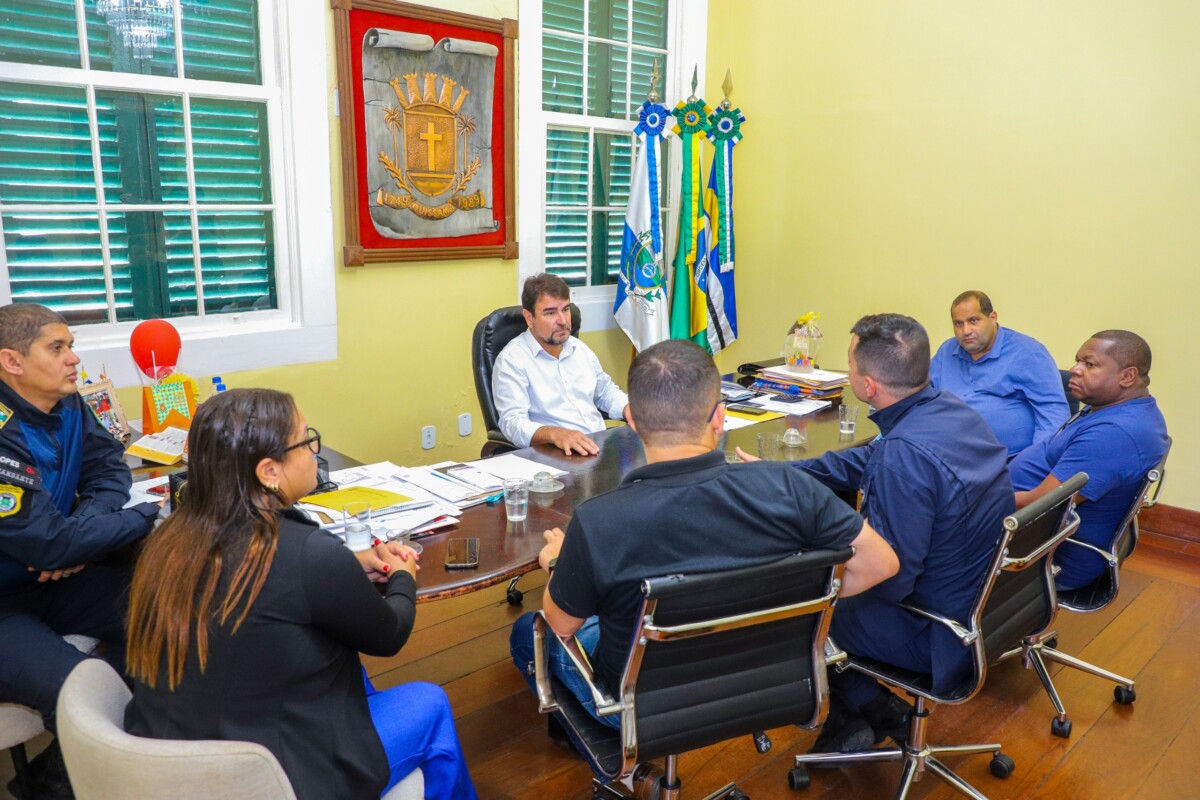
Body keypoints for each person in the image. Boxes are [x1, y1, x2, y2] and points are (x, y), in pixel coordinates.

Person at [510, 339, 899, 786]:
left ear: (632, 422)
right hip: (769, 687)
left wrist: (560, 566)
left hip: (643, 708)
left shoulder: (598, 521)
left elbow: (560, 627)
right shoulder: (791, 487)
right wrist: (804, 596)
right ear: (719, 417)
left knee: (529, 632)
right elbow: (881, 563)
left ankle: (633, 771)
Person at [123, 389, 477, 800]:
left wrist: (346, 565)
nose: (314, 450)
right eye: (305, 441)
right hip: (266, 779)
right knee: (430, 703)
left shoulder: (168, 539)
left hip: (173, 761)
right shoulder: (307, 553)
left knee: (352, 673)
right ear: (269, 471)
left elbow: (270, 594)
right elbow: (389, 634)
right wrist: (402, 576)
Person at [741, 314, 1015, 753]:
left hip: (935, 632)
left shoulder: (902, 456)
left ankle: (872, 706)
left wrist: (806, 581)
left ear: (868, 385)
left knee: (784, 606)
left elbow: (888, 578)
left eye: (850, 364)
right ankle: (858, 717)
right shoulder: (949, 412)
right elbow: (867, 459)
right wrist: (784, 474)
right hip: (985, 607)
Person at [0, 303, 160, 798]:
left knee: (170, 618)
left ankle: (53, 779)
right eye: (57, 348)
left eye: (71, 345)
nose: (73, 358)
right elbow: (47, 544)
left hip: (52, 578)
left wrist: (81, 530)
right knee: (78, 688)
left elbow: (108, 465)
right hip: (5, 601)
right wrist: (143, 516)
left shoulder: (66, 402)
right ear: (12, 361)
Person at [1009, 330, 1169, 590]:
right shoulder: (1115, 409)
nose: (1074, 369)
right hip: (1030, 533)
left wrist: (982, 498)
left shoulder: (1113, 435)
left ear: (1127, 376)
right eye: (1078, 361)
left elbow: (1039, 507)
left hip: (1037, 553)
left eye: (1090, 364)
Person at [493, 273, 632, 455]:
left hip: (597, 446)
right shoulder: (512, 360)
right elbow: (512, 423)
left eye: (565, 310)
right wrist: (555, 434)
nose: (563, 321)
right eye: (550, 313)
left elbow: (605, 392)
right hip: (554, 455)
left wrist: (628, 408)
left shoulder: (578, 348)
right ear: (529, 318)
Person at [929, 290, 1069, 457]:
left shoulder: (1027, 353)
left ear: (993, 317)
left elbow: (1053, 413)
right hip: (949, 456)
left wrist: (1034, 461)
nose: (966, 331)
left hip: (1009, 460)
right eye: (958, 324)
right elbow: (921, 394)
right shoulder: (947, 351)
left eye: (973, 320)